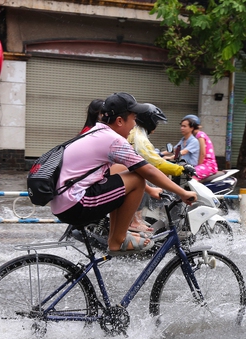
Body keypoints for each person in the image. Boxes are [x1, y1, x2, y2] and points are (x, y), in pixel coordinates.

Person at [51, 92, 196, 255]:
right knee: (137, 180)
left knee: (124, 171)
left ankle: (117, 236)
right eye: (133, 118)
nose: (135, 125)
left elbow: (119, 170)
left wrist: (150, 190)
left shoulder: (96, 131)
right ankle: (118, 240)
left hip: (62, 203)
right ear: (120, 121)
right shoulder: (113, 140)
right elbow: (147, 170)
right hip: (76, 204)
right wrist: (182, 192)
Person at [127, 103, 187, 233]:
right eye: (156, 122)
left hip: (125, 171)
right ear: (149, 121)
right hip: (129, 175)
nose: (156, 125)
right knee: (166, 191)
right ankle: (135, 221)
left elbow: (151, 156)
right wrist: (181, 169)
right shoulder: (139, 137)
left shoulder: (137, 132)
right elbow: (156, 163)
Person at [184, 114, 218, 180]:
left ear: (192, 127)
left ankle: (193, 190)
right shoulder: (192, 137)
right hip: (203, 164)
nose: (183, 128)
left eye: (185, 126)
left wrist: (198, 165)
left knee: (191, 174)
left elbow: (202, 153)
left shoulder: (200, 135)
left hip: (208, 165)